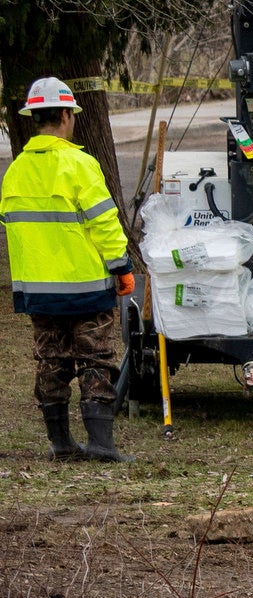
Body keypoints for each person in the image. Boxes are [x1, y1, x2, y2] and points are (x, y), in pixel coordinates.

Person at [3, 77, 134, 462]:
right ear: (65, 115)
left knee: (51, 362)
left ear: (33, 117)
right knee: (95, 359)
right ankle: (101, 445)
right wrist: (121, 266)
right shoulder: (80, 164)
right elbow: (105, 223)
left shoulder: (16, 170)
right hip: (86, 287)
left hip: (38, 292)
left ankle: (61, 444)